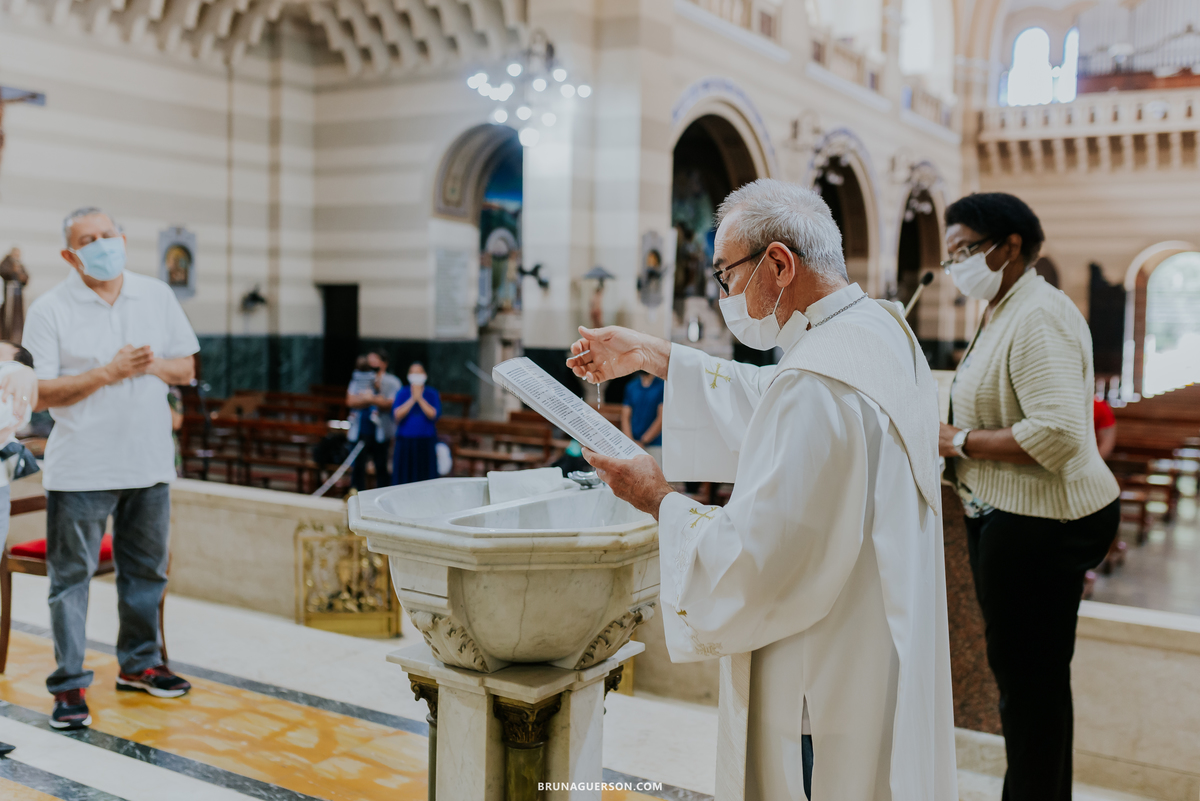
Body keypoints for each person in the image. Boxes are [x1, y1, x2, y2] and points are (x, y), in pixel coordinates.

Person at [568, 179, 956, 800]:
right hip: (877, 631)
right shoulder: (879, 330)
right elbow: (779, 405)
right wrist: (657, 354)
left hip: (821, 662)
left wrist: (657, 499)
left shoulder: (817, 381)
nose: (724, 295)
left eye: (726, 276)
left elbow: (756, 558)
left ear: (779, 263)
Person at [937, 192, 1120, 801]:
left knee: (1029, 686)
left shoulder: (1038, 313)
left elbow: (1061, 434)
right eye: (950, 252)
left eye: (965, 248)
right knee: (1028, 683)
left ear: (1009, 246)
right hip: (1008, 513)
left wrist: (958, 441)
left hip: (1042, 519)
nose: (956, 262)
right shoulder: (1003, 307)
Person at [23, 206, 200, 731]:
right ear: (69, 254)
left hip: (148, 462)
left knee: (146, 572)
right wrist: (108, 372)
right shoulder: (51, 308)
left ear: (122, 239)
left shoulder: (155, 294)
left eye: (108, 235)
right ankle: (69, 685)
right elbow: (39, 392)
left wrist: (149, 366)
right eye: (88, 238)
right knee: (71, 580)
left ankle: (140, 665)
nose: (102, 244)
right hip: (81, 469)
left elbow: (186, 366)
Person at [346, 351, 400, 490]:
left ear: (384, 363)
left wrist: (369, 399)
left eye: (375, 361)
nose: (371, 365)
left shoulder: (391, 382)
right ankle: (356, 498)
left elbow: (390, 404)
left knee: (381, 467)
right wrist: (372, 400)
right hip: (360, 429)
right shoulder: (359, 378)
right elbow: (350, 401)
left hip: (380, 432)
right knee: (358, 468)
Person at [392, 362, 440, 484]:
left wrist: (420, 398)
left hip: (426, 439)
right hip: (405, 440)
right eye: (413, 372)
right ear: (408, 375)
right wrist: (413, 398)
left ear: (425, 375)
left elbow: (433, 414)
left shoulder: (432, 393)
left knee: (425, 476)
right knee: (405, 476)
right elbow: (397, 415)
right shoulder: (402, 392)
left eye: (419, 372)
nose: (416, 375)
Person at [620, 372, 664, 465]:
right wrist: (631, 441)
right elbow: (625, 416)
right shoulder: (631, 386)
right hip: (633, 444)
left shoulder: (662, 386)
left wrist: (643, 441)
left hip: (654, 444)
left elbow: (661, 418)